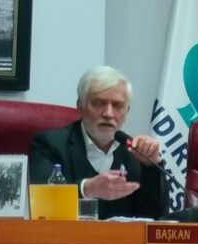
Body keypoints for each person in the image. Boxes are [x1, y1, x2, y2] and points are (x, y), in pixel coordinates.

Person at [28, 66, 167, 219]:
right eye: (98, 103)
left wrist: (151, 166)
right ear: (80, 107)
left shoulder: (136, 153)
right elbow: (41, 205)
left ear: (126, 112)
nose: (108, 114)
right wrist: (87, 189)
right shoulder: (48, 145)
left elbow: (157, 217)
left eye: (117, 105)